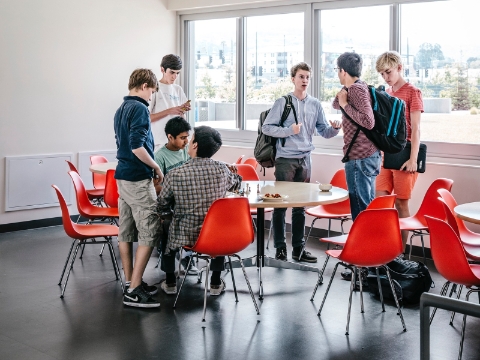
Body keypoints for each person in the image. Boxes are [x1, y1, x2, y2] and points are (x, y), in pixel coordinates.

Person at [262, 62, 341, 263]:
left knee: (300, 207)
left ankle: (298, 249)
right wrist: (290, 131)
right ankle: (280, 248)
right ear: (293, 79)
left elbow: (323, 131)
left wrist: (335, 129)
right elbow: (267, 128)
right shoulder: (283, 102)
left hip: (305, 159)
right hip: (285, 160)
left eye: (307, 77)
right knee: (280, 205)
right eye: (301, 77)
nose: (304, 80)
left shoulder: (315, 104)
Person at [158, 126, 241, 295]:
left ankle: (170, 282)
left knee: (165, 222)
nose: (188, 142)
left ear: (195, 145)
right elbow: (237, 183)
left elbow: (162, 204)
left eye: (191, 138)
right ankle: (216, 283)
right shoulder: (222, 169)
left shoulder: (175, 174)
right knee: (219, 225)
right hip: (214, 234)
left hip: (184, 234)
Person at [114, 68, 163, 308]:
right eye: (152, 91)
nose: (151, 96)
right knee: (150, 230)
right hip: (137, 178)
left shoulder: (120, 109)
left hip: (122, 177)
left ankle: (130, 281)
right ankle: (134, 290)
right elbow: (136, 147)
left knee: (126, 230)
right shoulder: (140, 108)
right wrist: (156, 167)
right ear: (144, 86)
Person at [332, 52, 381, 282]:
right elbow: (335, 104)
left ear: (343, 71)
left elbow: (368, 121)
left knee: (362, 212)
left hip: (361, 158)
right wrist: (342, 99)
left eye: (337, 70)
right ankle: (364, 264)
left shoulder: (358, 90)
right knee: (360, 210)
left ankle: (366, 266)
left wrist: (345, 103)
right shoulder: (353, 89)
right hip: (357, 158)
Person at [375, 51, 424, 250]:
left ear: (399, 68)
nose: (386, 77)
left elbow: (416, 128)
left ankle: (400, 254)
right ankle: (383, 250)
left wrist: (413, 159)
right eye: (382, 74)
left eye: (388, 72)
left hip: (405, 155)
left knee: (401, 205)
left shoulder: (413, 92)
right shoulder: (386, 94)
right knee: (381, 203)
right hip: (386, 154)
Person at [153, 116, 199, 275]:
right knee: (172, 225)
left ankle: (187, 255)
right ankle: (171, 269)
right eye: (182, 138)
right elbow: (156, 186)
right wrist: (175, 189)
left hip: (187, 201)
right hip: (170, 204)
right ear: (170, 137)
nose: (186, 142)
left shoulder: (185, 152)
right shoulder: (159, 157)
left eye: (187, 137)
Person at [149, 54, 191, 151]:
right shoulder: (154, 88)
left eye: (177, 73)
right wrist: (169, 111)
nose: (174, 77)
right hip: (160, 143)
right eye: (172, 72)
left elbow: (182, 118)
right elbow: (147, 118)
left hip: (178, 142)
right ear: (162, 70)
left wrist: (183, 111)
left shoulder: (178, 89)